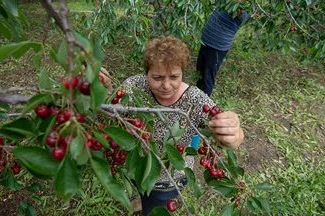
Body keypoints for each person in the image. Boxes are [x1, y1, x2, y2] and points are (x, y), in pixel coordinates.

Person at [103, 36, 244, 215]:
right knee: (143, 189)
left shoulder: (195, 99)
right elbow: (112, 111)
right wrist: (106, 89)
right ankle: (143, 198)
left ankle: (148, 204)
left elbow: (227, 135)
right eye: (157, 77)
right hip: (138, 164)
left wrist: (234, 133)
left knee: (156, 206)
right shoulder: (134, 87)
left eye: (174, 77)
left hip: (169, 178)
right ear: (146, 73)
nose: (166, 86)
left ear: (182, 73)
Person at [196, 4, 249, 96]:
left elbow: (242, 17)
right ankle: (196, 98)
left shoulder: (245, 8)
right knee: (200, 73)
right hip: (206, 41)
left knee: (207, 78)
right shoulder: (226, 2)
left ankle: (202, 105)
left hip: (217, 47)